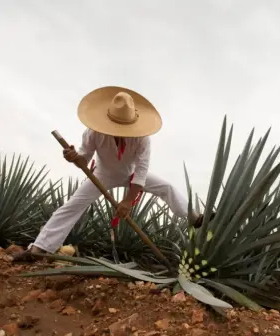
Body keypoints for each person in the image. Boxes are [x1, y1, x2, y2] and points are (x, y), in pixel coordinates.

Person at [13, 86, 207, 261]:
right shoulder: (93, 132)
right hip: (102, 175)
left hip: (132, 176)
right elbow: (85, 159)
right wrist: (73, 157)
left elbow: (141, 171)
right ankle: (38, 249)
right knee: (72, 206)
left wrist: (128, 201)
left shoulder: (142, 139)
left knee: (167, 187)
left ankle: (194, 218)